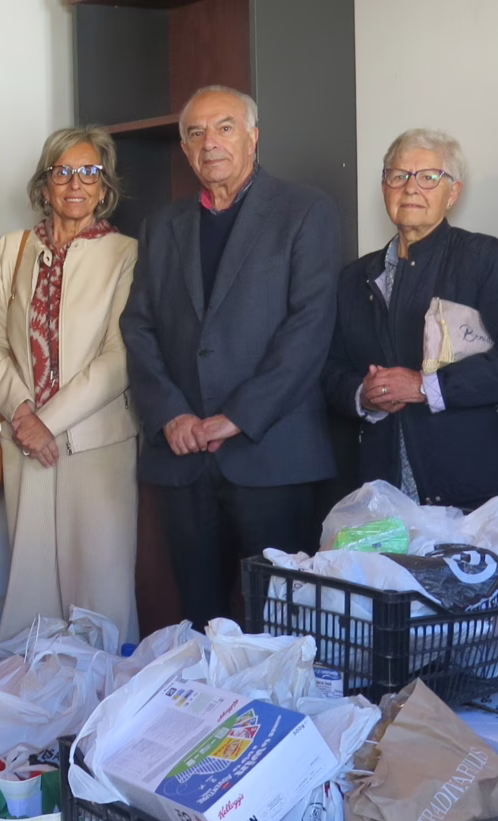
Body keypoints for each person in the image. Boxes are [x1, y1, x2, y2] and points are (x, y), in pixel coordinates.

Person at [121, 85, 341, 629]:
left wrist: (238, 416)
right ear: (185, 148)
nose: (209, 143)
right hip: (185, 458)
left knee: (284, 624)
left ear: (253, 137)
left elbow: (309, 328)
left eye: (224, 127)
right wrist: (170, 413)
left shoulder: (305, 210)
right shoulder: (162, 226)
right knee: (200, 623)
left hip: (272, 455)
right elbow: (139, 326)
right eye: (195, 133)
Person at [323, 129, 498, 509]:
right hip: (383, 490)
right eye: (398, 176)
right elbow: (328, 370)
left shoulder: (481, 258)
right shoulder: (353, 277)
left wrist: (426, 386)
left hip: (481, 485)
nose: (411, 188)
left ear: (453, 192)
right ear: (384, 187)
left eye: (428, 177)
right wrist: (364, 395)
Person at [0, 127, 139, 641]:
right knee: (31, 590)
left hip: (95, 444)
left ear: (104, 187)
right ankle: (37, 711)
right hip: (23, 443)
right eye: (63, 171)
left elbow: (119, 358)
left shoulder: (126, 253)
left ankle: (104, 711)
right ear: (44, 185)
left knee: (101, 591)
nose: (76, 184)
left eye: (89, 172)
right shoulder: (12, 248)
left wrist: (45, 422)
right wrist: (24, 416)